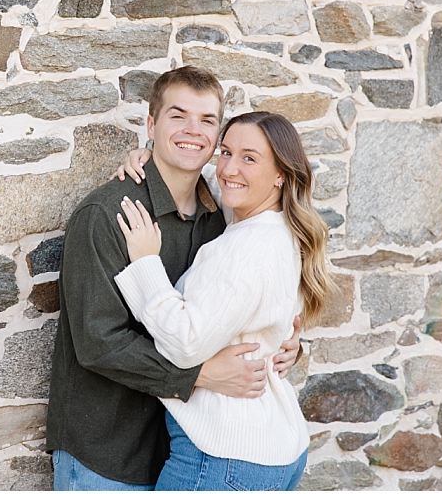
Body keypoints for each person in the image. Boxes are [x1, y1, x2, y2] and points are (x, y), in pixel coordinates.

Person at [46, 67, 302, 490]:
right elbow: (98, 342)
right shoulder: (109, 215)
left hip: (182, 452)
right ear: (151, 125)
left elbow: (239, 301)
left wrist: (285, 343)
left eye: (206, 121)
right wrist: (200, 374)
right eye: (177, 116)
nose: (192, 131)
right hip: (107, 451)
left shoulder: (222, 216)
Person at [112, 111, 335, 490]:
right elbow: (222, 184)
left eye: (249, 157)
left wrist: (147, 263)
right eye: (226, 152)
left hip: (223, 458)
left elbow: (186, 343)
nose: (229, 169)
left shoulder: (247, 246)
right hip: (270, 448)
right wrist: (151, 155)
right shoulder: (277, 227)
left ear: (281, 174)